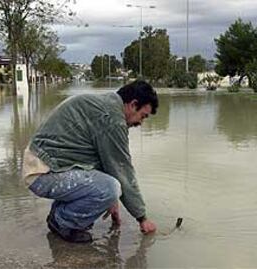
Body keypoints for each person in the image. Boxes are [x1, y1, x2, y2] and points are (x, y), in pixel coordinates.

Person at [22, 80, 158, 243]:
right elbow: (122, 170)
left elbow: (103, 159)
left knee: (109, 188)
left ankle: (60, 214)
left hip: (45, 166)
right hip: (41, 172)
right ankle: (62, 221)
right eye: (143, 116)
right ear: (133, 104)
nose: (140, 123)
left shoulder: (106, 106)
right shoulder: (112, 119)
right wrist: (142, 218)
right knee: (111, 187)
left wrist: (112, 200)